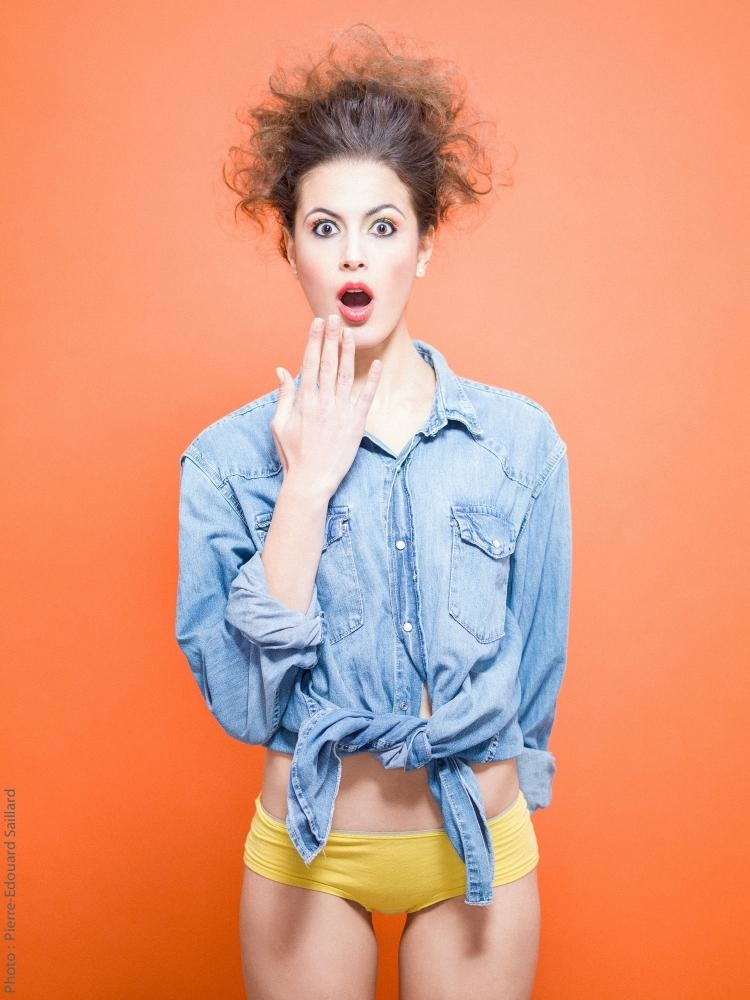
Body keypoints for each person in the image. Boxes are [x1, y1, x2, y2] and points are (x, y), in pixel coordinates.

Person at [175, 22, 572, 1000]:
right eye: (325, 227)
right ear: (290, 245)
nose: (354, 254)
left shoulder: (519, 442)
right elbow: (245, 705)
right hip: (311, 854)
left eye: (384, 227)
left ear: (426, 242)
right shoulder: (226, 461)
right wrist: (306, 486)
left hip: (477, 850)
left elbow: (535, 671)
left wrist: (511, 791)